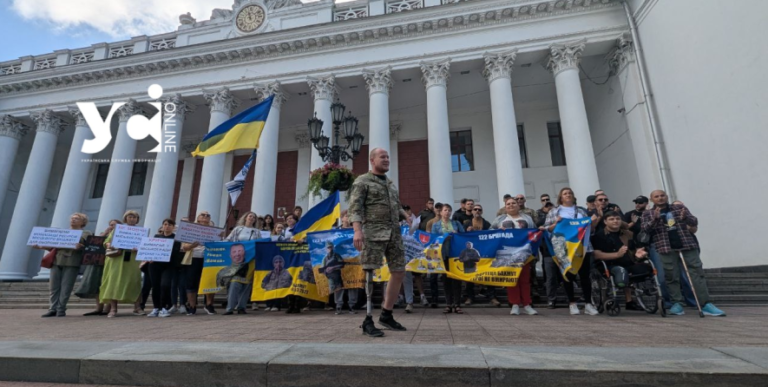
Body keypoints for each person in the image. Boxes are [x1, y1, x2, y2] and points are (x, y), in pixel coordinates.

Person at [349, 147, 408, 337]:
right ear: (372, 160)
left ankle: (386, 314)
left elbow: (395, 205)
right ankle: (367, 319)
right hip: (373, 233)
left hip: (394, 234)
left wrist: (404, 214)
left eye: (388, 157)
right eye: (382, 157)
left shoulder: (390, 184)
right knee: (369, 273)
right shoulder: (362, 181)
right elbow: (355, 208)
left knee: (399, 271)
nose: (387, 159)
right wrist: (357, 231)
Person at [641, 190, 725, 316]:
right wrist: (655, 219)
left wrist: (686, 217)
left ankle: (706, 303)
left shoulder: (679, 207)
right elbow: (645, 229)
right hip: (665, 247)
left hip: (686, 244)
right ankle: (677, 303)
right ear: (651, 199)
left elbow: (694, 222)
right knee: (671, 275)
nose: (660, 198)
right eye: (656, 197)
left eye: (662, 195)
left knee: (696, 272)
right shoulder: (648, 213)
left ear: (667, 197)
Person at [543, 187, 600, 316]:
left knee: (585, 276)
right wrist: (556, 224)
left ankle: (588, 304)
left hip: (583, 247)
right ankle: (572, 303)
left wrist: (593, 222)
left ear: (573, 196)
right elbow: (547, 229)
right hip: (565, 248)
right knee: (568, 276)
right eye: (565, 193)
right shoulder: (554, 212)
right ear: (560, 197)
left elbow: (590, 230)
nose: (567, 195)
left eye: (569, 193)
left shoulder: (581, 211)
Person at [36, 213, 92, 318]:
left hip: (72, 262)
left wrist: (77, 244)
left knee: (66, 287)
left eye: (76, 219)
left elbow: (81, 242)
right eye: (72, 218)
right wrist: (40, 246)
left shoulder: (85, 232)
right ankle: (52, 309)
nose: (73, 220)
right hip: (57, 260)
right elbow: (52, 246)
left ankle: (61, 309)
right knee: (54, 287)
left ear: (83, 222)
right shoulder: (61, 232)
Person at [591, 211, 650, 311]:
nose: (615, 221)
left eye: (618, 219)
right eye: (612, 219)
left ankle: (631, 301)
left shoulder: (629, 234)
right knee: (621, 271)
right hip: (609, 265)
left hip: (628, 263)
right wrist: (616, 255)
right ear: (605, 222)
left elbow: (636, 248)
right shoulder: (598, 236)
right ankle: (608, 298)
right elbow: (596, 255)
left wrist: (639, 253)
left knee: (647, 268)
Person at [491, 197, 538, 316]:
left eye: (513, 203)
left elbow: (534, 232)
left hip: (524, 254)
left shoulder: (527, 218)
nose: (511, 205)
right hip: (508, 255)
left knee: (525, 280)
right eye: (508, 204)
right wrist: (498, 231)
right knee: (511, 279)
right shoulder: (500, 219)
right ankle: (515, 304)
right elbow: (490, 233)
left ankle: (527, 304)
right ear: (505, 206)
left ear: (518, 205)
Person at [101, 210, 144, 318]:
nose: (132, 219)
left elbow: (145, 245)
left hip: (133, 259)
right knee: (114, 282)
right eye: (130, 217)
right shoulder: (118, 229)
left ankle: (137, 308)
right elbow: (106, 241)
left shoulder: (141, 231)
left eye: (134, 217)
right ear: (125, 218)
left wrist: (139, 248)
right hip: (117, 259)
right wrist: (110, 245)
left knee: (134, 282)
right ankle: (113, 309)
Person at [77, 219, 121, 316]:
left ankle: (108, 308)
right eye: (111, 225)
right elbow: (94, 243)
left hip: (112, 263)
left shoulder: (121, 236)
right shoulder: (104, 235)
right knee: (98, 285)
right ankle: (99, 307)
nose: (112, 226)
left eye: (114, 225)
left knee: (110, 285)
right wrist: (105, 233)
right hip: (98, 263)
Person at [462, 203, 500, 307]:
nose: (477, 211)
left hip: (485, 253)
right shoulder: (467, 223)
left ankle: (492, 297)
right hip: (471, 254)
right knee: (470, 275)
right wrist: (466, 231)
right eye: (475, 209)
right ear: (472, 211)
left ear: (482, 212)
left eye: (479, 209)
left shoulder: (487, 223)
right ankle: (469, 297)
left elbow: (492, 236)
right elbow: (461, 236)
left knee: (488, 274)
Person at [180, 211, 218, 316]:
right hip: (193, 258)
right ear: (198, 218)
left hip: (209, 259)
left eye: (208, 215)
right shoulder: (191, 230)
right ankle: (192, 306)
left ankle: (209, 304)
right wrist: (192, 246)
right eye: (203, 215)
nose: (205, 216)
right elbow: (183, 248)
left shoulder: (214, 231)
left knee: (210, 281)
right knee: (191, 283)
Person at [432, 203, 466, 314]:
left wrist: (457, 234)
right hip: (444, 255)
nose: (447, 212)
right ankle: (448, 304)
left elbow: (464, 236)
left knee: (457, 279)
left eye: (449, 210)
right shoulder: (436, 225)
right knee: (446, 280)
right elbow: (434, 239)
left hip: (456, 255)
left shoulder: (456, 223)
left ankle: (457, 304)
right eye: (445, 210)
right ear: (441, 212)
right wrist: (444, 237)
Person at [147, 219, 183, 318]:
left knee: (165, 285)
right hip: (155, 265)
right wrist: (149, 257)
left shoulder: (176, 239)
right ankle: (156, 308)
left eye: (169, 225)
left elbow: (176, 253)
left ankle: (164, 307)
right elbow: (150, 249)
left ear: (173, 227)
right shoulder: (156, 237)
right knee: (155, 286)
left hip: (169, 265)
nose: (167, 226)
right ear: (162, 226)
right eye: (165, 224)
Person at [220, 243, 254, 315]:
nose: (237, 254)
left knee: (245, 291)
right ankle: (230, 308)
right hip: (234, 278)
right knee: (233, 290)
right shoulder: (224, 270)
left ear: (245, 253)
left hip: (248, 274)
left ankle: (241, 308)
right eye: (234, 252)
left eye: (240, 251)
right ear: (230, 255)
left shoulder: (250, 264)